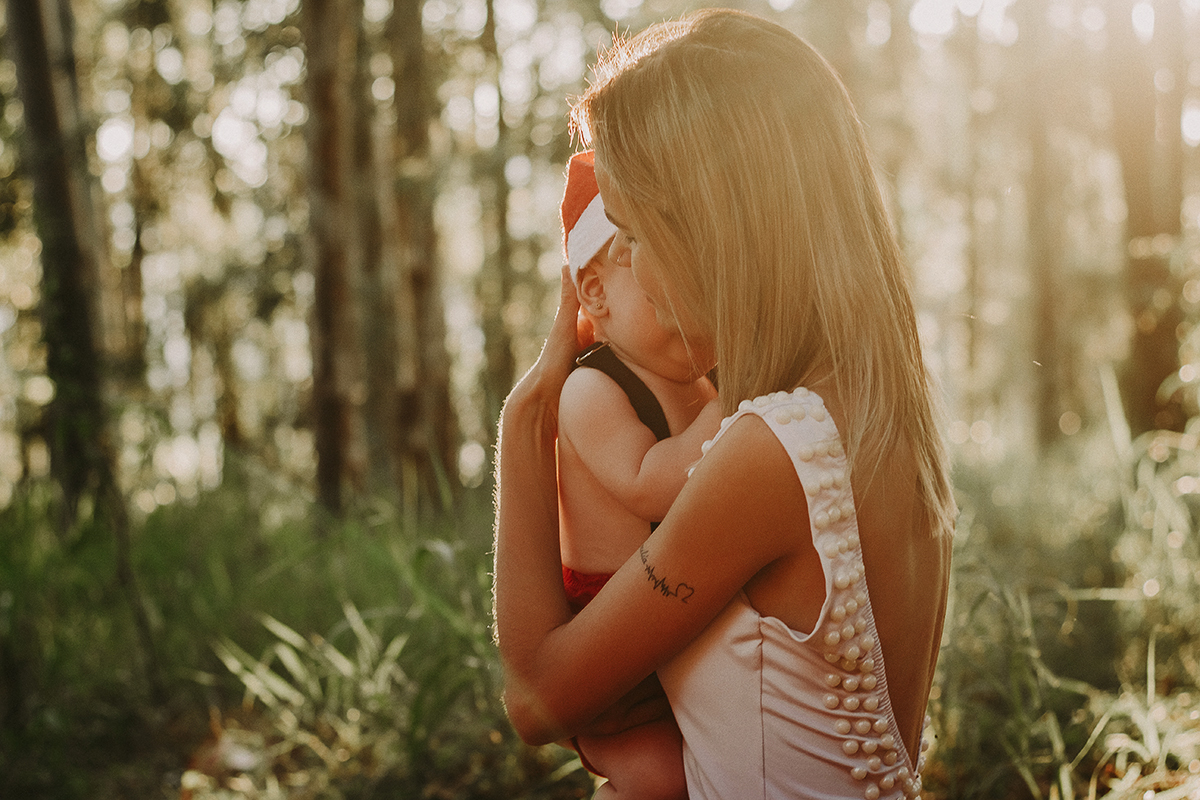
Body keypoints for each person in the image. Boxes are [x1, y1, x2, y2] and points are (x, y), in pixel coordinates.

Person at [493, 9, 957, 799]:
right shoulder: (869, 407)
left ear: (715, 227)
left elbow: (538, 697)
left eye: (636, 233)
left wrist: (526, 418)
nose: (629, 264)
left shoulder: (770, 454)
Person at [555, 150, 720, 799]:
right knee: (659, 777)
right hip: (613, 646)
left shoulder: (697, 378)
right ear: (595, 292)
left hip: (679, 617)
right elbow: (653, 481)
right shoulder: (593, 388)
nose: (695, 295)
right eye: (664, 273)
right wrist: (738, 403)